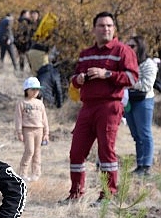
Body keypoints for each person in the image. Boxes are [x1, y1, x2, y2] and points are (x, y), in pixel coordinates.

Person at [63, 11, 138, 204]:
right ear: (94, 29)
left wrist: (107, 74)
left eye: (109, 26)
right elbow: (74, 79)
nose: (105, 29)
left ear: (114, 29)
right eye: (101, 25)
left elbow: (132, 78)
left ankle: (108, 195)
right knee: (76, 151)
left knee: (106, 152)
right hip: (87, 107)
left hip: (109, 106)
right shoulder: (85, 54)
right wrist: (77, 79)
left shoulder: (122, 51)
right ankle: (75, 194)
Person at [124, 35, 157, 177]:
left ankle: (147, 166)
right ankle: (139, 165)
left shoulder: (148, 64)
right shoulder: (128, 63)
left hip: (143, 101)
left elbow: (146, 85)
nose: (128, 49)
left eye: (132, 46)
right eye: (127, 46)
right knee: (136, 135)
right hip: (130, 101)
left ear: (140, 47)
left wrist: (128, 83)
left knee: (145, 133)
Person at [15, 77, 49, 182]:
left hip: (39, 129)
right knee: (29, 151)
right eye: (32, 89)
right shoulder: (22, 103)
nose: (35, 91)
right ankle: (23, 173)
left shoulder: (40, 103)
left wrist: (46, 132)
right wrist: (19, 132)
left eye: (37, 89)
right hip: (27, 130)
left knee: (37, 152)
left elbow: (44, 118)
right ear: (26, 90)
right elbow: (18, 118)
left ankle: (36, 173)